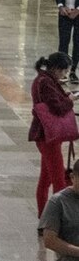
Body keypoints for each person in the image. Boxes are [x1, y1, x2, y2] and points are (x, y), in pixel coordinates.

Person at [30, 53, 78, 217]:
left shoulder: (43, 80)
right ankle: (57, 220)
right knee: (58, 180)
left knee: (46, 178)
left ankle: (43, 217)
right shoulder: (46, 82)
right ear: (57, 69)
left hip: (45, 135)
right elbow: (57, 107)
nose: (65, 75)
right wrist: (70, 100)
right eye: (64, 71)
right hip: (48, 137)